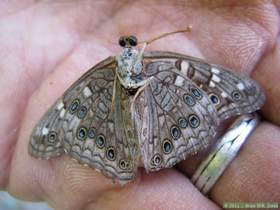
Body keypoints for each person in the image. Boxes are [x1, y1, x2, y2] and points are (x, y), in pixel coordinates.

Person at [0, 1, 279, 209]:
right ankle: (123, 156)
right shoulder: (101, 75)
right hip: (117, 123)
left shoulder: (161, 64)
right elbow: (63, 117)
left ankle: (155, 149)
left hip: (165, 121)